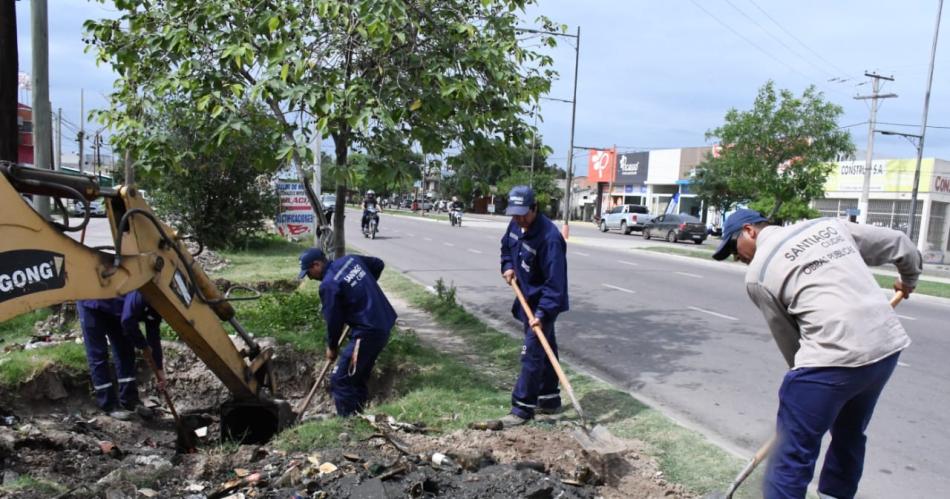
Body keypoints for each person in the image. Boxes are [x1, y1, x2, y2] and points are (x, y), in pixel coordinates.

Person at [711, 209, 922, 499]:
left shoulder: (758, 273)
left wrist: (811, 401)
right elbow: (900, 243)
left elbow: (792, 344)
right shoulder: (828, 226)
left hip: (830, 361)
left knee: (790, 456)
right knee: (849, 435)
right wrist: (909, 279)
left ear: (749, 230)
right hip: (884, 349)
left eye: (734, 248)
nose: (737, 257)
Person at [497, 185, 569, 427]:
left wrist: (542, 314)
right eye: (515, 215)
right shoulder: (516, 225)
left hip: (545, 301)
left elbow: (555, 285)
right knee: (545, 345)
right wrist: (507, 265)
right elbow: (506, 246)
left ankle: (522, 408)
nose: (519, 219)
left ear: (535, 208)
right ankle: (548, 399)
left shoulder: (550, 239)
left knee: (531, 352)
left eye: (523, 214)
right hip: (526, 296)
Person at [298, 248, 397, 416]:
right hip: (384, 321)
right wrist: (362, 290)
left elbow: (334, 321)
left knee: (340, 379)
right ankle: (358, 418)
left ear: (317, 264)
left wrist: (332, 346)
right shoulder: (350, 260)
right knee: (356, 377)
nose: (309, 277)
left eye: (308, 272)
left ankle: (348, 425)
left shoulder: (328, 285)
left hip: (367, 331)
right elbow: (378, 264)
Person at [77, 290, 166, 420]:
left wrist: (159, 368)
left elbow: (153, 336)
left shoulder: (158, 306)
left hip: (116, 308)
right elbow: (128, 321)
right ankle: (109, 405)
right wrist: (142, 345)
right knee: (98, 353)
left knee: (125, 350)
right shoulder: (141, 293)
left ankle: (129, 399)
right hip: (90, 300)